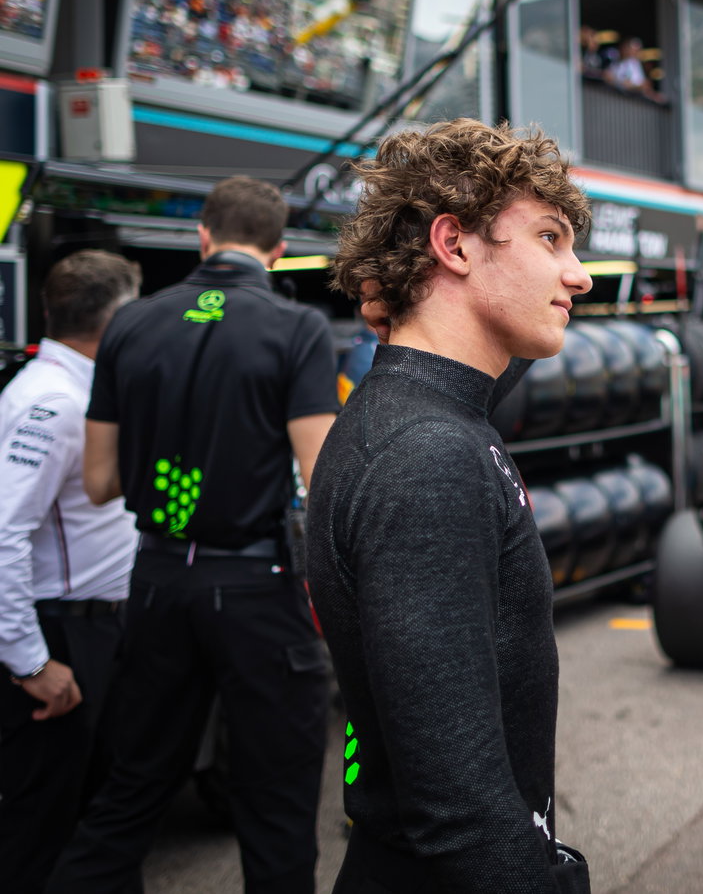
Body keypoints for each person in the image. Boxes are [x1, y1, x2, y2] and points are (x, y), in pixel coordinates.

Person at [307, 118, 594, 891]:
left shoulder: (424, 416)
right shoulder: (425, 455)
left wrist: (399, 289)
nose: (581, 275)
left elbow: (473, 364)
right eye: (551, 238)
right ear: (455, 244)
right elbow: (457, 805)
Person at [48, 177, 338, 894]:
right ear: (276, 250)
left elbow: (99, 483)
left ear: (202, 237)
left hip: (155, 583)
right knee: (275, 811)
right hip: (254, 589)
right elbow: (324, 477)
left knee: (130, 790)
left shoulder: (129, 326)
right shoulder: (296, 328)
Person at [1, 250, 141, 893]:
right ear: (111, 321)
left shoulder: (76, 388)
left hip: (95, 632)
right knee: (47, 830)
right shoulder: (53, 402)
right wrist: (30, 662)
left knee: (97, 821)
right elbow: (4, 532)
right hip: (63, 639)